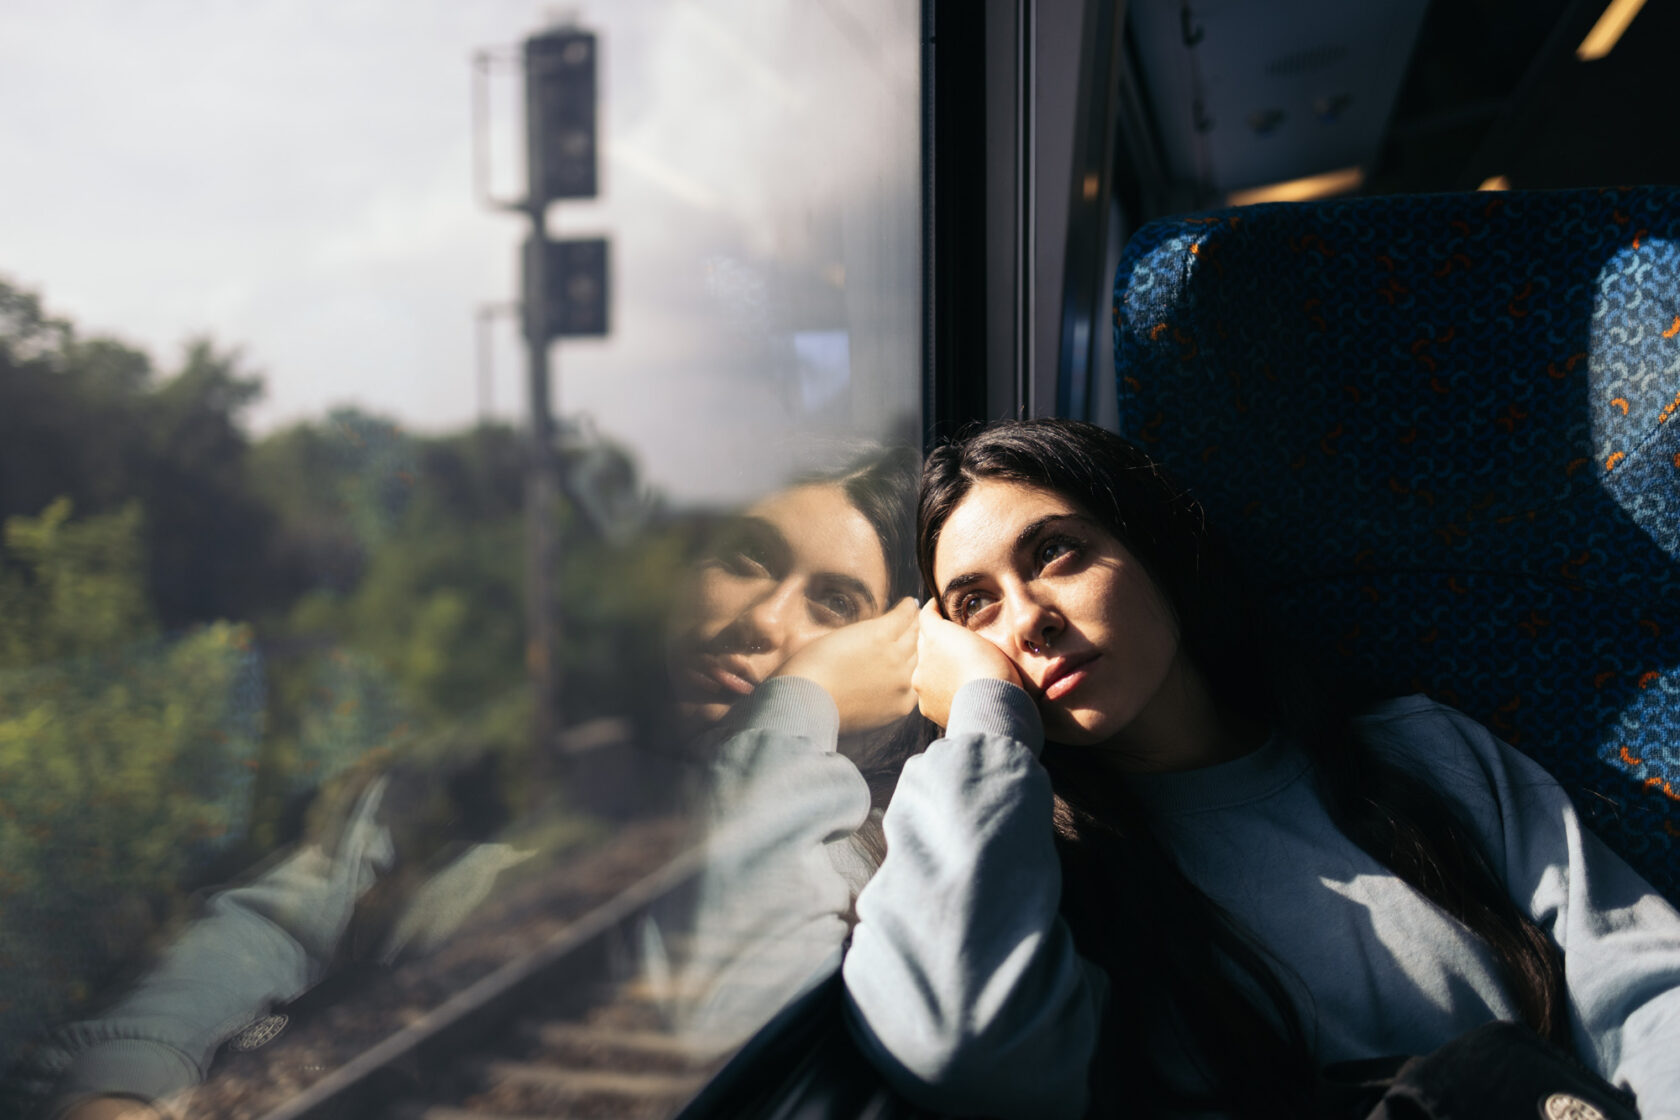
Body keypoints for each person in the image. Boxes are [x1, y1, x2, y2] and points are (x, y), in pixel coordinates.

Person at [45, 448, 928, 1120]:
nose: (760, 620)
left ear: (888, 667)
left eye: (836, 605)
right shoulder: (509, 770)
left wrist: (794, 710)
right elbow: (276, 920)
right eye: (747, 558)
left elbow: (702, 1025)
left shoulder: (850, 869)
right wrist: (126, 1079)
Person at [841, 418, 1680, 1119]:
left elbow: (1649, 989)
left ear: (1156, 552)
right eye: (975, 604)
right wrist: (988, 722)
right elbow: (958, 1036)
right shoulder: (1031, 866)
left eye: (1057, 553)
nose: (1029, 621)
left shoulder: (1421, 756)